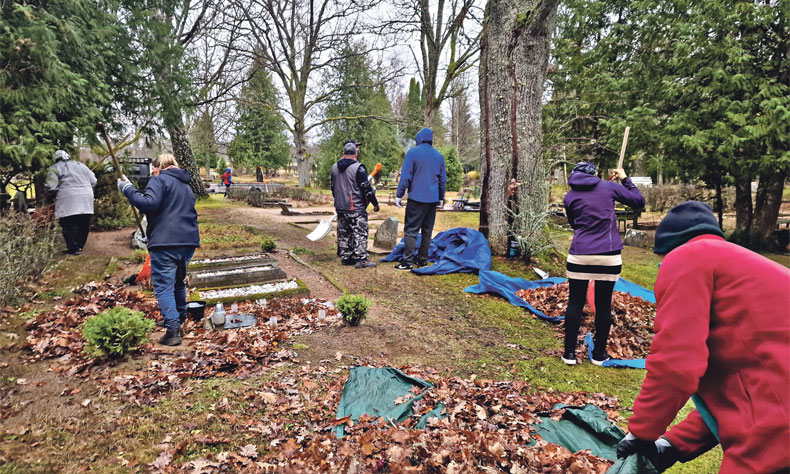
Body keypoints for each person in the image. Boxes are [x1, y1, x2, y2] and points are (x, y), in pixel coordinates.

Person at [616, 201, 790, 473]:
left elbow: (677, 363)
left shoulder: (686, 258)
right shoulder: (745, 266)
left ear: (666, 248)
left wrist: (641, 432)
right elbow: (745, 392)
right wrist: (673, 444)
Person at [561, 162, 644, 365]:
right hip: (608, 256)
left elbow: (574, 224)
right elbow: (638, 202)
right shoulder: (609, 187)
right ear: (594, 174)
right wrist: (624, 179)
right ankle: (599, 354)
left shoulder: (569, 197)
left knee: (575, 303)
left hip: (580, 255)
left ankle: (569, 354)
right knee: (603, 304)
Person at [117, 154, 200, 346]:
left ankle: (173, 330)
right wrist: (151, 233)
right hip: (187, 242)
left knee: (163, 285)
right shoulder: (186, 186)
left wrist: (128, 189)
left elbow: (149, 204)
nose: (154, 172)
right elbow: (170, 212)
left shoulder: (159, 180)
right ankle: (178, 317)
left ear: (158, 167)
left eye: (155, 168)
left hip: (166, 244)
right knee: (178, 281)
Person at [393, 128, 446, 270]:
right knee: (427, 231)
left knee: (411, 230)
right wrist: (441, 198)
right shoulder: (439, 156)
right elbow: (442, 180)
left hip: (416, 198)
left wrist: (399, 195)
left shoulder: (413, 153)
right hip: (432, 200)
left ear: (419, 138)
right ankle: (422, 260)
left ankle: (407, 262)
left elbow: (405, 176)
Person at [330, 141, 380, 269]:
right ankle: (361, 259)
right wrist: (375, 203)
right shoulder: (359, 168)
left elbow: (332, 187)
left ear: (343, 153)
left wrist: (339, 201)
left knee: (344, 232)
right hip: (355, 207)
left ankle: (346, 257)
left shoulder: (334, 167)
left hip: (340, 207)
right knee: (360, 232)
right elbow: (366, 188)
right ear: (356, 153)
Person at [45, 150, 97, 255]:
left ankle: (73, 247)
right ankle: (80, 246)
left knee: (68, 222)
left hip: (68, 197)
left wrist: (54, 192)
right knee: (83, 222)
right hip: (86, 195)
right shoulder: (81, 166)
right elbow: (94, 181)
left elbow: (51, 186)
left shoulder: (55, 168)